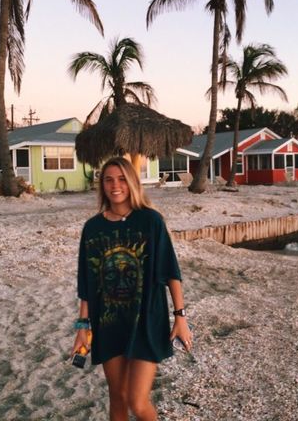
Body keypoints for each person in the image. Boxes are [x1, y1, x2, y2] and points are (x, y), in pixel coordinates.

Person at [72, 156, 192, 421]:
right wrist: (83, 326)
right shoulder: (92, 228)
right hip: (108, 322)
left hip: (147, 320)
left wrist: (180, 317)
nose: (115, 185)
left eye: (122, 179)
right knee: (117, 397)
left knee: (137, 402)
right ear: (102, 185)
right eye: (109, 180)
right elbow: (86, 280)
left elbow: (171, 271)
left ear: (133, 183)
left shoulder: (151, 221)